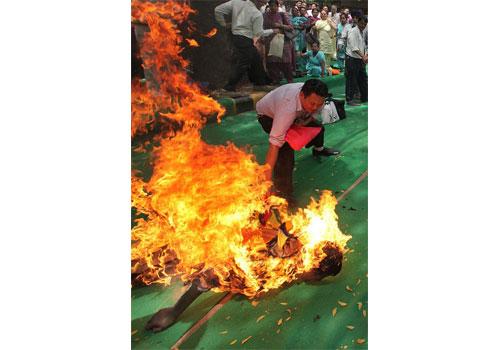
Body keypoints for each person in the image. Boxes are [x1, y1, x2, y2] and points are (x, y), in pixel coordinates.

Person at [256, 79, 340, 204]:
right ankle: (283, 192)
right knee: (284, 149)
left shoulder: (313, 99)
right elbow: (274, 146)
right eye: (312, 104)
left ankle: (319, 150)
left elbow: (315, 110)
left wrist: (305, 120)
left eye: (319, 104)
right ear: (302, 95)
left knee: (317, 127)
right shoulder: (287, 109)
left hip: (296, 112)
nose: (315, 107)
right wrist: (266, 183)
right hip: (267, 116)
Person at [214, 0, 279, 92]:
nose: (264, 4)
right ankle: (229, 87)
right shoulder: (256, 14)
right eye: (263, 2)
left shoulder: (236, 2)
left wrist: (223, 24)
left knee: (256, 58)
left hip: (235, 37)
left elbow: (218, 10)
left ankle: (260, 83)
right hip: (245, 39)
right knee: (244, 62)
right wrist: (272, 31)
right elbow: (258, 33)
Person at [262, 0, 295, 84]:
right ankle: (275, 79)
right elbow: (262, 28)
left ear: (277, 6)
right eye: (271, 6)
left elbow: (291, 27)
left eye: (274, 6)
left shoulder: (282, 14)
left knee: (285, 61)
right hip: (270, 41)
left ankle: (289, 79)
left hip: (283, 41)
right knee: (272, 62)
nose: (273, 7)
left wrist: (280, 25)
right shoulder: (264, 15)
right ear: (268, 6)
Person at [345, 15, 368, 105]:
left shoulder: (363, 32)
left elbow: (365, 46)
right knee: (351, 79)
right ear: (358, 22)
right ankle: (350, 99)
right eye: (361, 23)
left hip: (360, 58)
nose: (363, 25)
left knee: (363, 79)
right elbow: (354, 47)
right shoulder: (352, 31)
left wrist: (366, 56)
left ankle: (364, 97)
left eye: (365, 24)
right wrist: (363, 56)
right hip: (352, 59)